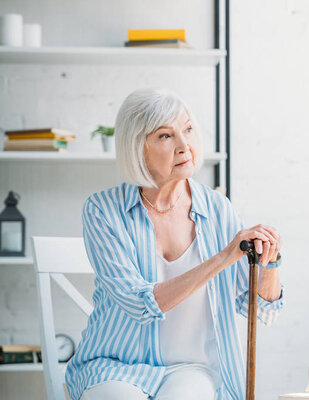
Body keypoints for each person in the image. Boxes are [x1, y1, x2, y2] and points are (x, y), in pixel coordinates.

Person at [65, 87, 285, 400]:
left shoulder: (217, 208)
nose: (185, 146)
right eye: (166, 136)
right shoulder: (103, 211)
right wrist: (223, 257)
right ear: (138, 148)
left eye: (189, 130)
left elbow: (260, 309)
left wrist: (270, 263)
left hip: (191, 369)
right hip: (113, 366)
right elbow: (139, 304)